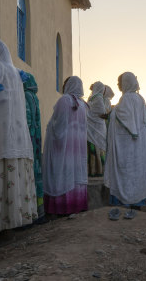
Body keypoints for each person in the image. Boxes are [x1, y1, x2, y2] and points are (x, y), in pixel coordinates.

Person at [0, 38, 37, 231]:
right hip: (18, 134)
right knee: (14, 174)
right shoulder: (17, 73)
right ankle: (17, 220)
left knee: (0, 174)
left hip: (0, 131)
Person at [104, 72, 146, 216]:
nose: (118, 85)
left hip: (126, 146)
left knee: (126, 173)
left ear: (126, 82)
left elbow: (122, 118)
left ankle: (125, 201)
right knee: (136, 172)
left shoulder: (126, 99)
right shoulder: (140, 99)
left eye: (119, 82)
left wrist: (111, 114)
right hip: (138, 147)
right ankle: (138, 202)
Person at [42, 76, 88, 215]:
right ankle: (76, 205)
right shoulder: (83, 105)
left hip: (64, 148)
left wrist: (49, 127)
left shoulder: (65, 101)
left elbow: (58, 127)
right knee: (75, 175)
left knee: (63, 175)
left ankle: (62, 208)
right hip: (77, 150)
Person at [19, 70, 45, 223]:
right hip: (37, 139)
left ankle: (29, 212)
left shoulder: (25, 96)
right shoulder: (35, 97)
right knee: (37, 173)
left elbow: (27, 121)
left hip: (29, 138)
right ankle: (39, 211)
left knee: (29, 173)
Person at [86, 81, 107, 177]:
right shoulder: (98, 98)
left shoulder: (91, 98)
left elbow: (89, 111)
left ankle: (92, 170)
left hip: (92, 127)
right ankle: (99, 170)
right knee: (98, 148)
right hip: (98, 127)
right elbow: (102, 111)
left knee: (93, 148)